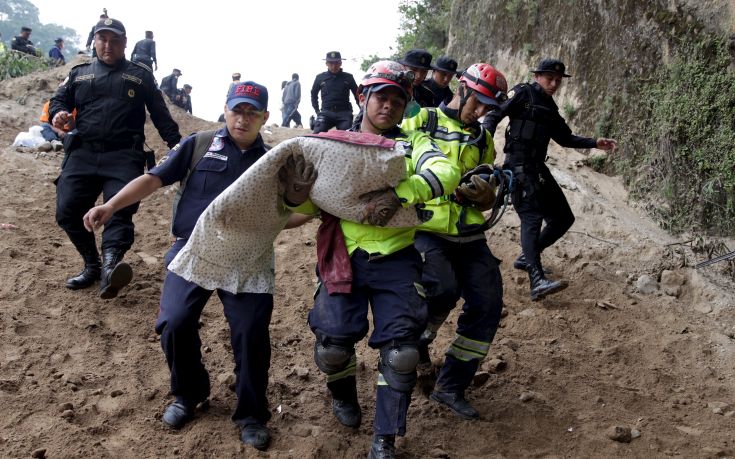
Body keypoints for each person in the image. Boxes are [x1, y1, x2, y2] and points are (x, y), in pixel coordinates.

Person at [82, 81, 280, 452]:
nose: (243, 118)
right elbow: (153, 179)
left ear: (264, 118)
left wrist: (310, 211)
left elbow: (289, 213)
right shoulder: (199, 145)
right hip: (192, 252)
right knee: (173, 322)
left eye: (252, 113)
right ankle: (188, 395)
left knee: (252, 333)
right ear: (226, 109)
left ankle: (252, 414)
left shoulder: (271, 162)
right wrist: (111, 206)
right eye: (238, 110)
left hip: (247, 258)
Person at [285, 60, 460, 459]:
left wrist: (403, 193)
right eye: (381, 97)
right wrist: (290, 199)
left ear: (406, 107)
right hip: (342, 256)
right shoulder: (334, 142)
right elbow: (300, 209)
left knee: (403, 353)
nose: (388, 106)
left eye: (398, 100)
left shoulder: (412, 143)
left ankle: (384, 438)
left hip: (397, 257)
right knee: (332, 346)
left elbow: (445, 171)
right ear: (363, 97)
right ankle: (343, 396)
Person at [402, 63, 508, 420]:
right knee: (441, 289)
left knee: (489, 303)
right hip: (427, 228)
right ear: (462, 88)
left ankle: (450, 386)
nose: (479, 111)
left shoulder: (483, 139)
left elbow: (489, 189)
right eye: (477, 101)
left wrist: (484, 195)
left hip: (469, 233)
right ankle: (419, 342)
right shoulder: (423, 121)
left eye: (486, 107)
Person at [50, 17, 181, 299]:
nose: (107, 45)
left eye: (114, 40)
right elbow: (59, 102)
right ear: (95, 42)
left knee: (119, 211)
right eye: (102, 39)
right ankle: (93, 265)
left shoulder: (140, 75)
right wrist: (58, 114)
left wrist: (178, 146)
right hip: (83, 152)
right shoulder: (78, 74)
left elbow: (160, 114)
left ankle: (111, 268)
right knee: (67, 210)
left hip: (124, 154)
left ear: (124, 43)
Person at [483, 58, 617, 300]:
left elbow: (565, 138)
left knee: (564, 218)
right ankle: (536, 279)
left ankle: (527, 257)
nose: (554, 83)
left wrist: (595, 143)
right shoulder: (523, 93)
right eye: (549, 78)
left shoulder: (550, 107)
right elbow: (495, 113)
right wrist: (484, 142)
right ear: (537, 76)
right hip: (517, 166)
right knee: (532, 217)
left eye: (558, 80)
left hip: (537, 168)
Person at [310, 51, 358, 133]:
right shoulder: (320, 78)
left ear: (340, 63)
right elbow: (313, 94)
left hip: (344, 113)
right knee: (317, 133)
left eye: (336, 63)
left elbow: (357, 95)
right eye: (331, 63)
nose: (334, 66)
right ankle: (316, 123)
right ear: (326, 64)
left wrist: (362, 111)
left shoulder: (348, 77)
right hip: (326, 113)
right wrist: (317, 111)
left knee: (347, 135)